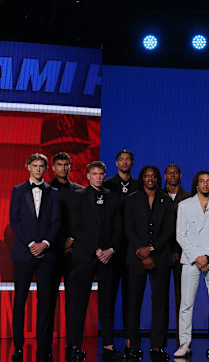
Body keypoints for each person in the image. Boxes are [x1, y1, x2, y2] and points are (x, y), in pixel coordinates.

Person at [65, 161, 123, 362]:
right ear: (88, 176)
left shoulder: (113, 198)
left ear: (104, 175)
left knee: (107, 303)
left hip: (108, 257)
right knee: (78, 303)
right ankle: (75, 345)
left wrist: (110, 250)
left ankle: (108, 344)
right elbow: (76, 227)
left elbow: (118, 228)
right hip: (84, 256)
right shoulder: (78, 196)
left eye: (101, 174)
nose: (98, 177)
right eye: (94, 174)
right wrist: (96, 249)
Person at [9, 153, 60, 362]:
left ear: (46, 169)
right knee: (20, 300)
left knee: (45, 302)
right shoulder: (18, 191)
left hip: (46, 255)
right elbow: (15, 221)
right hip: (23, 253)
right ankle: (18, 346)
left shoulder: (54, 193)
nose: (38, 169)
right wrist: (31, 244)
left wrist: (44, 244)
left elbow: (57, 222)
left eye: (42, 166)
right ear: (27, 166)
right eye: (35, 165)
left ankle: (43, 346)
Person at [174, 171, 209, 358]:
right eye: (202, 181)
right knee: (186, 304)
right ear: (196, 184)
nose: (205, 185)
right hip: (191, 260)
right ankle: (184, 343)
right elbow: (180, 235)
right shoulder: (184, 205)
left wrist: (208, 256)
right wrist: (198, 257)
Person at [124, 165, 177, 361]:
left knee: (160, 303)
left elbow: (169, 230)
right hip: (136, 257)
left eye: (153, 176)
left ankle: (157, 345)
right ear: (142, 178)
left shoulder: (166, 200)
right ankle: (132, 343)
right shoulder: (131, 199)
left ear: (158, 179)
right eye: (147, 176)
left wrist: (152, 249)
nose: (150, 179)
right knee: (133, 302)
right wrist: (142, 250)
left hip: (160, 258)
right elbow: (128, 227)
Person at [103, 149, 140, 356]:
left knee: (131, 298)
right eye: (121, 159)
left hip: (132, 250)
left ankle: (129, 340)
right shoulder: (107, 184)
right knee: (108, 298)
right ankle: (108, 342)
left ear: (132, 162)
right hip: (111, 250)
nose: (125, 162)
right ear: (116, 162)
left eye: (128, 159)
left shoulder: (138, 185)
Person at [47, 152, 83, 349]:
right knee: (48, 300)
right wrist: (59, 243)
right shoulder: (45, 190)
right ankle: (46, 344)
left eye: (66, 164)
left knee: (74, 301)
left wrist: (72, 240)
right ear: (53, 167)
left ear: (70, 167)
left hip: (74, 252)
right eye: (59, 164)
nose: (63, 168)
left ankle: (74, 344)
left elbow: (84, 221)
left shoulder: (80, 191)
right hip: (51, 252)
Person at [162, 163, 191, 345]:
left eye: (176, 173)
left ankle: (183, 341)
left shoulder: (188, 197)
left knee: (183, 301)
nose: (173, 176)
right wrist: (169, 250)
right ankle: (160, 343)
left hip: (184, 256)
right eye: (169, 173)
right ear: (165, 176)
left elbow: (191, 228)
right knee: (161, 300)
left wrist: (180, 251)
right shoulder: (158, 196)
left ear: (180, 175)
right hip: (162, 253)